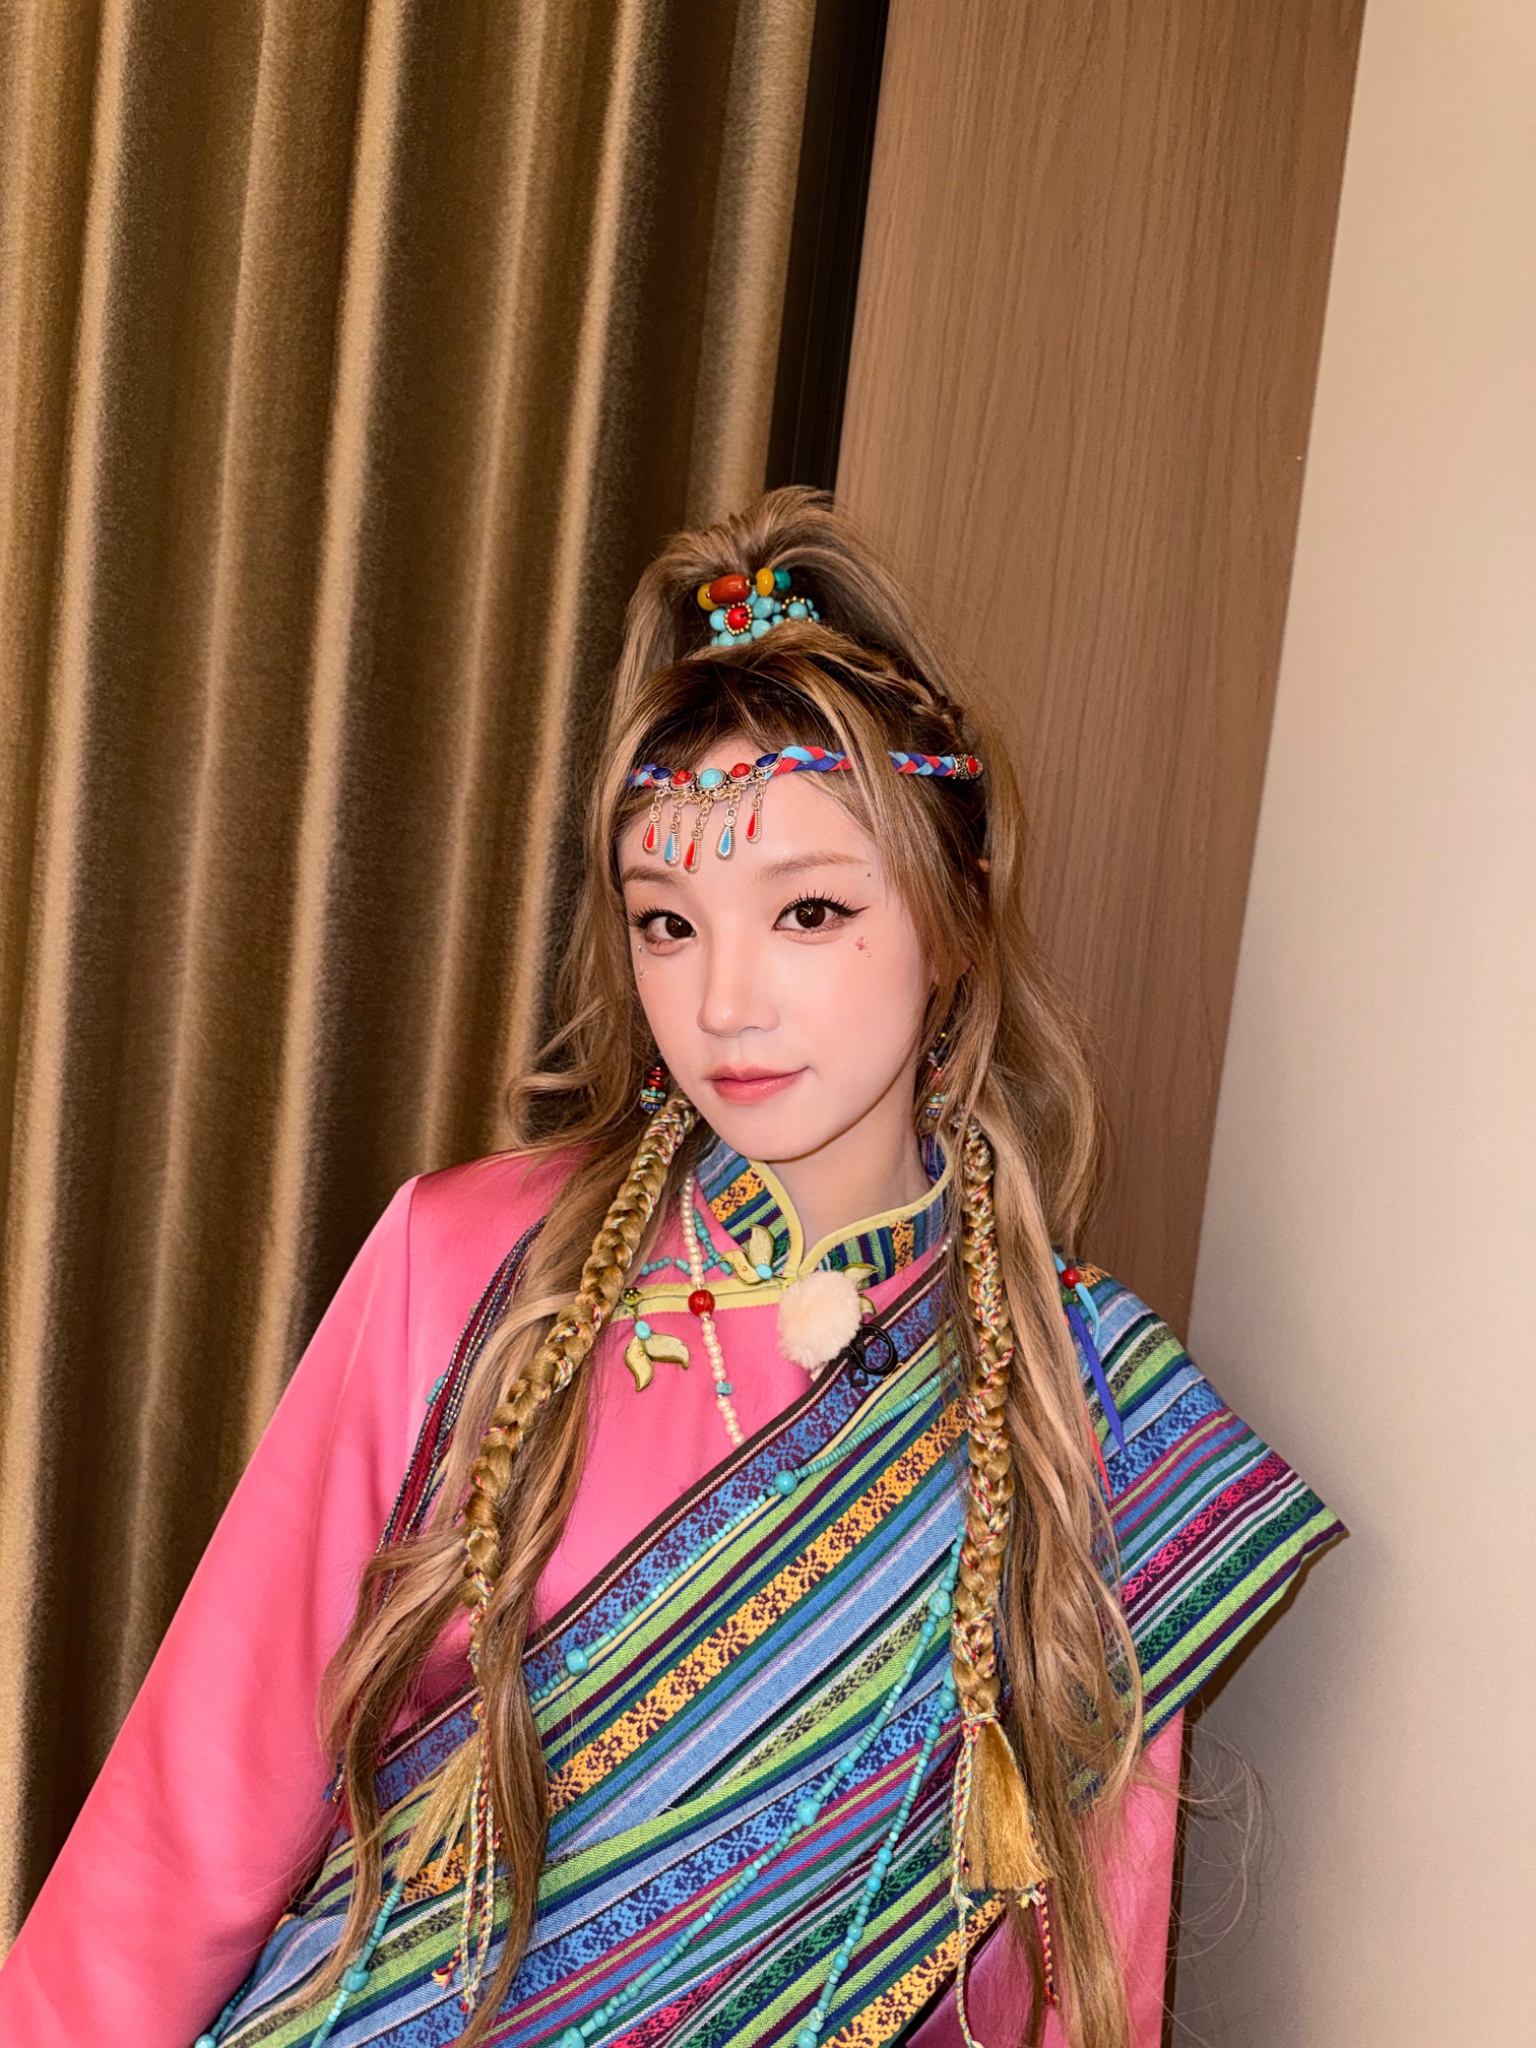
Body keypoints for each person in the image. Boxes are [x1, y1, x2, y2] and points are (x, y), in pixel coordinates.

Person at [0, 490, 1342, 2048]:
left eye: (810, 912)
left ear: (956, 920)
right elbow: (203, 1793)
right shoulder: (470, 1260)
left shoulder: (1086, 1405)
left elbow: (1075, 1962)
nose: (723, 1005)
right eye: (667, 923)